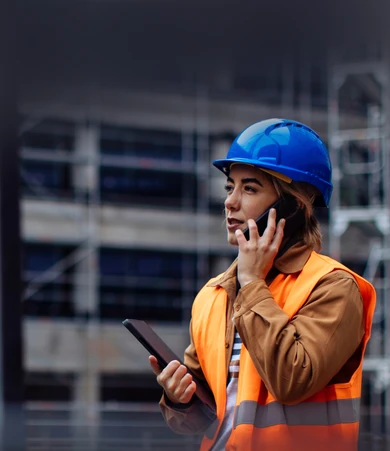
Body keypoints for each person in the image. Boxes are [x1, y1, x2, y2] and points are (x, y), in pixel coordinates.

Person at [149, 118, 376, 451]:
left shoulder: (333, 287)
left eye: (250, 188)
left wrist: (253, 282)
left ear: (292, 205)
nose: (230, 201)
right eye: (230, 187)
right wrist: (180, 398)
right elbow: (204, 417)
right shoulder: (214, 295)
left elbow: (291, 381)